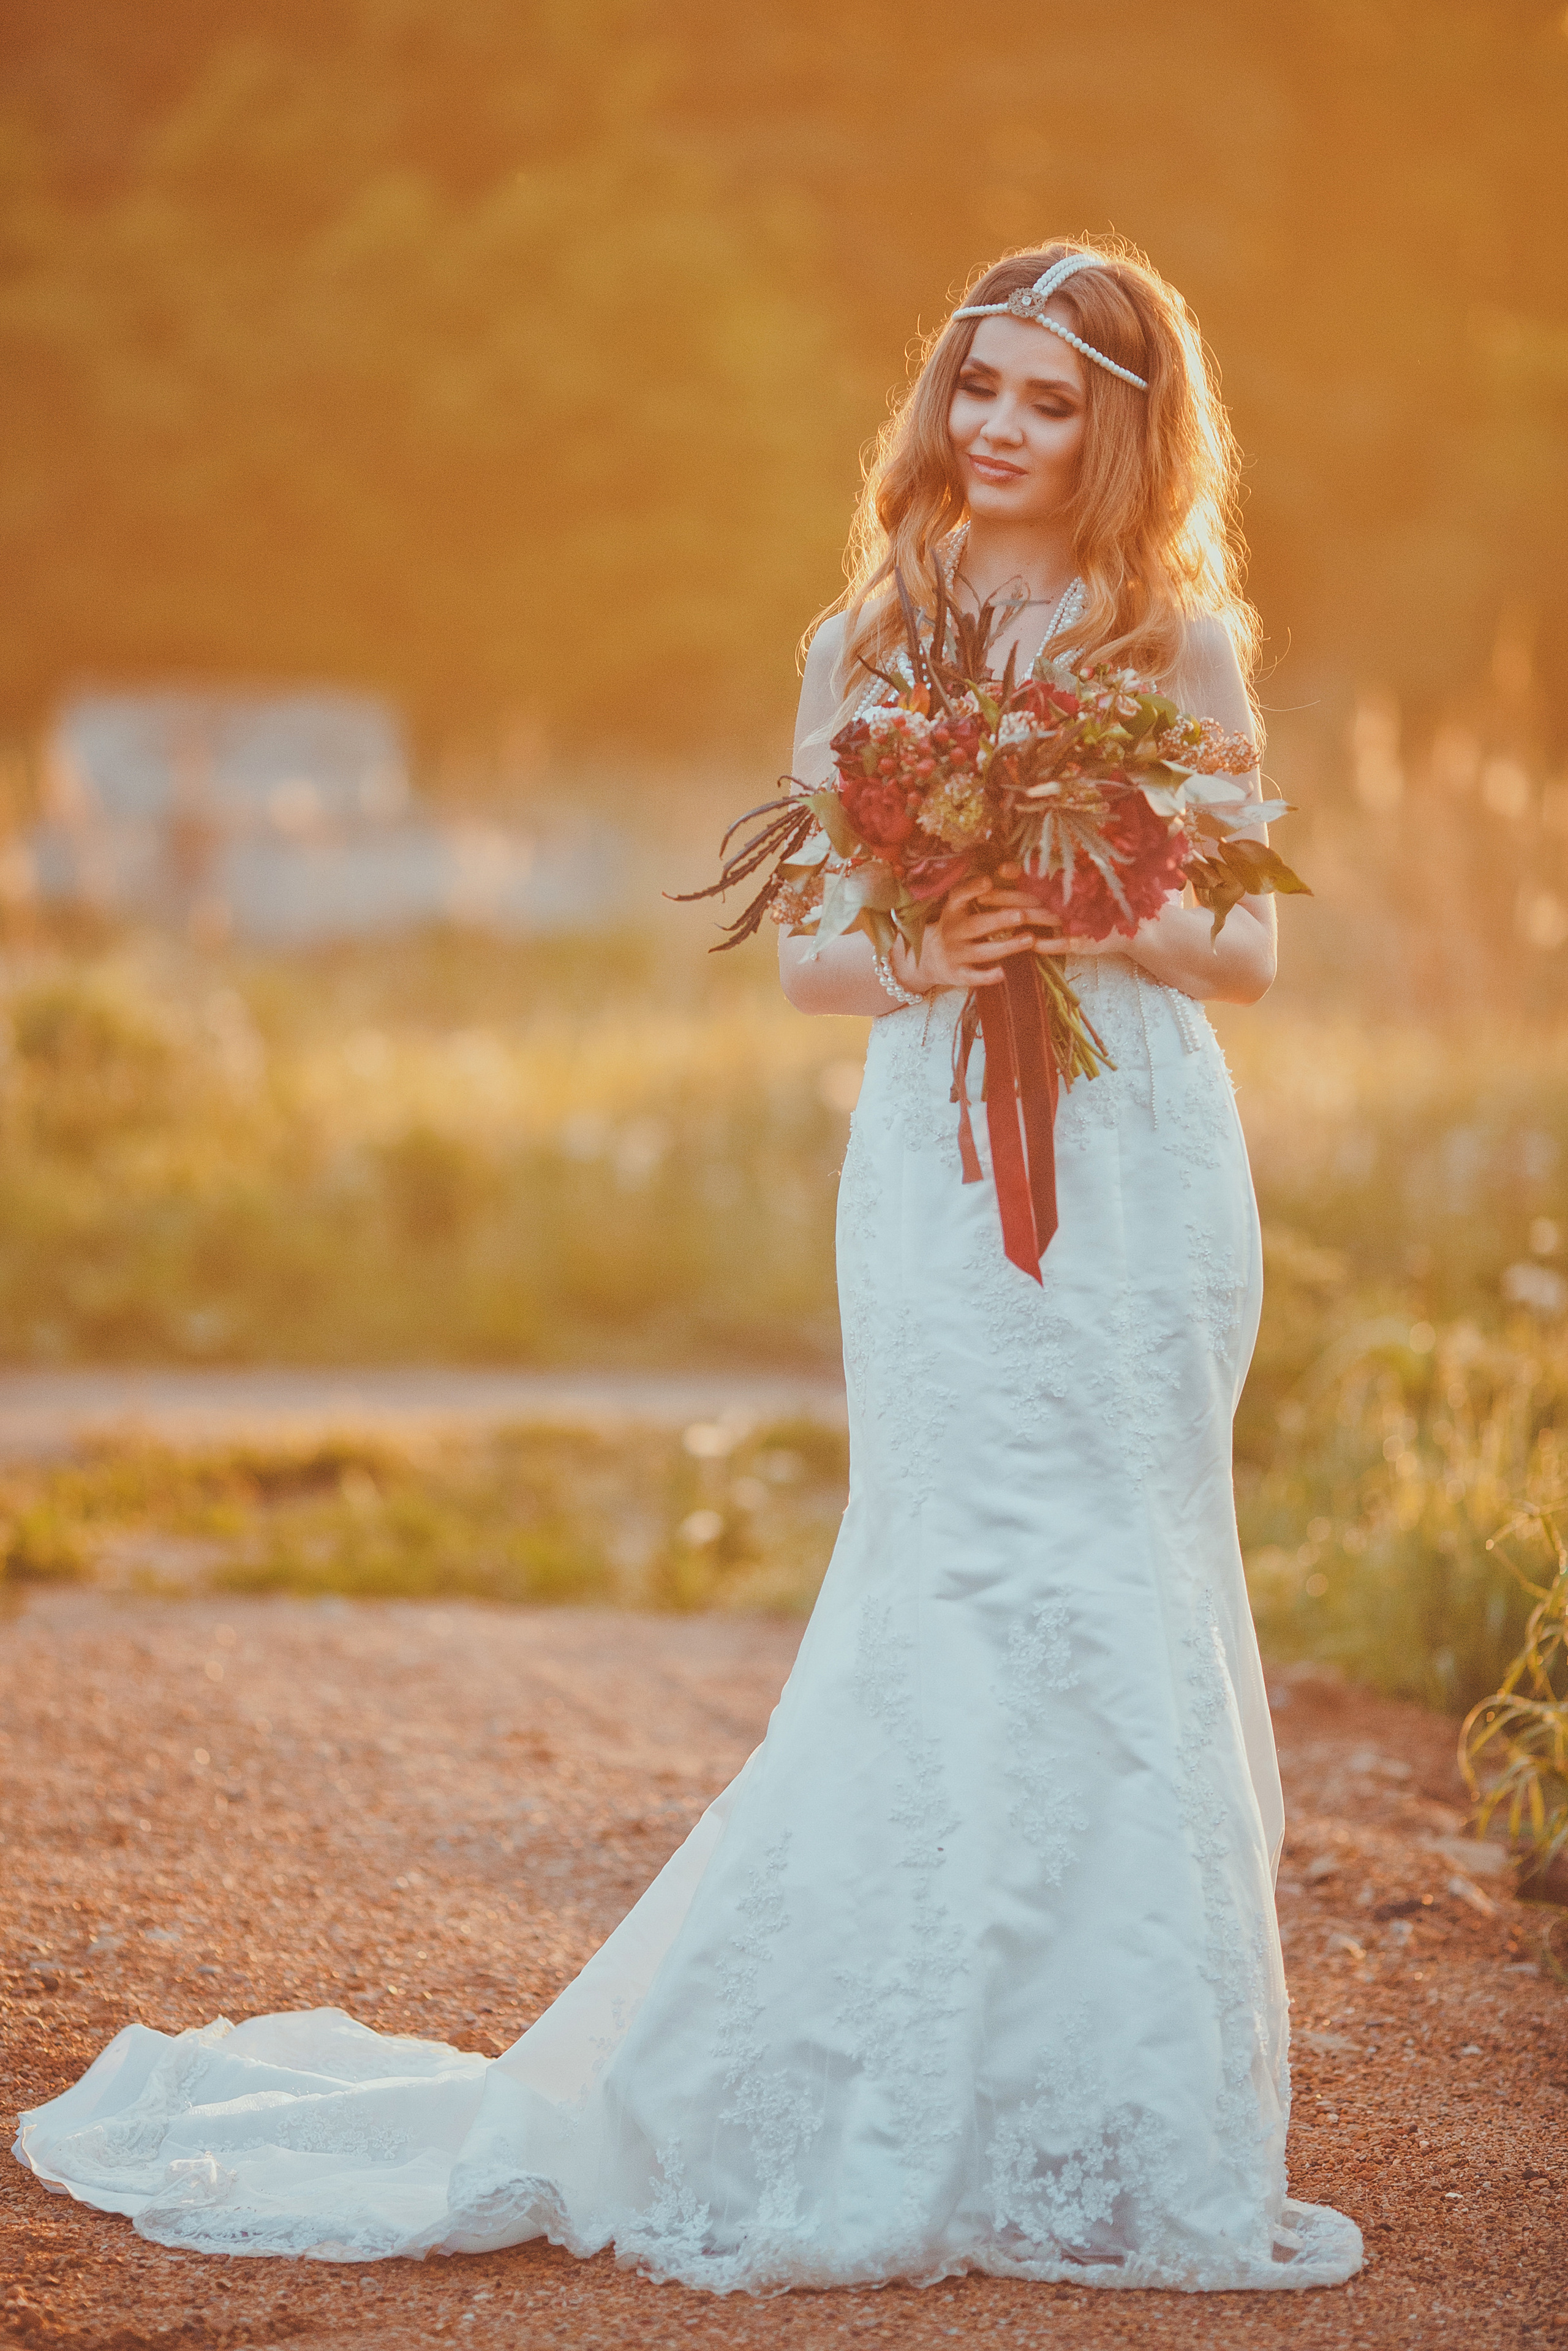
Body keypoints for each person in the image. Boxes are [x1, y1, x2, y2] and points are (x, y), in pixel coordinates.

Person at [14, 240, 1362, 2296]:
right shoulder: (863, 639)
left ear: (1123, 431)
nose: (997, 430)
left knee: (1120, 1567)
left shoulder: (1176, 641)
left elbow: (1251, 951)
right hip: (934, 1152)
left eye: (1048, 402)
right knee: (951, 1568)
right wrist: (934, 943)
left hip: (1143, 1159)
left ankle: (1119, 2117)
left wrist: (1084, 895)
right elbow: (818, 953)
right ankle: (883, 2082)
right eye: (976, 388)